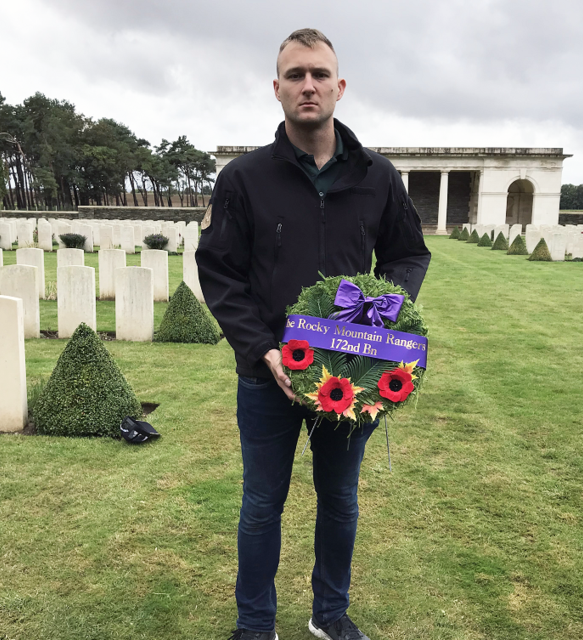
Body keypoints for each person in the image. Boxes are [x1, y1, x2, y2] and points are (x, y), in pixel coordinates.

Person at [196, 28, 431, 640]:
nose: (309, 85)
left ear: (340, 87)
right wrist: (262, 348)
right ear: (276, 89)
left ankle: (328, 614)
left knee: (341, 502)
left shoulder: (379, 177)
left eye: (320, 74)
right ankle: (255, 624)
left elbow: (408, 255)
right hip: (267, 372)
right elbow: (219, 271)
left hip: (350, 379)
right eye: (296, 75)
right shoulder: (244, 178)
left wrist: (386, 314)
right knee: (260, 507)